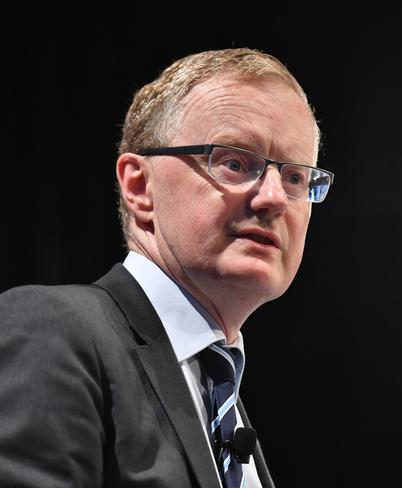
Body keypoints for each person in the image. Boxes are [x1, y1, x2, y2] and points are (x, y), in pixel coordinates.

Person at [0, 48, 334, 488]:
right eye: (234, 163)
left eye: (294, 178)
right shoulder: (54, 330)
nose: (273, 198)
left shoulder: (222, 403)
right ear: (140, 187)